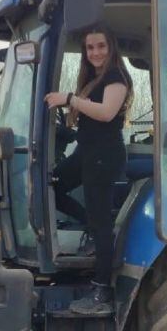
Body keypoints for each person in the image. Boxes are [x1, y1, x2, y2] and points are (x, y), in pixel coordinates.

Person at [44, 23, 132, 315]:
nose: (95, 52)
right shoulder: (93, 78)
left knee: (102, 223)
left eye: (101, 46)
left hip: (104, 156)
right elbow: (87, 121)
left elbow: (106, 113)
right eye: (90, 47)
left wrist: (70, 99)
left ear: (111, 48)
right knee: (53, 187)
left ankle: (101, 291)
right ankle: (94, 232)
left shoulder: (116, 77)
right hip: (86, 152)